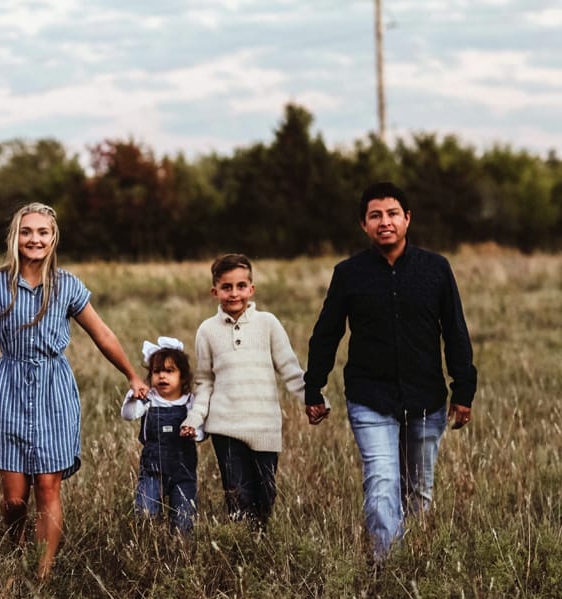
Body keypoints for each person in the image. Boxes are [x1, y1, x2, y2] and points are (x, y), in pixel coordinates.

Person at [0, 202, 148, 579]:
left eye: (43, 232)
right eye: (27, 231)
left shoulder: (67, 286)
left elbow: (103, 334)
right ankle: (16, 544)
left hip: (54, 389)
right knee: (15, 499)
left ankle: (41, 571)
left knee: (48, 489)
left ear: (53, 239)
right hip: (11, 388)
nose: (35, 239)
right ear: (15, 237)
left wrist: (132, 375)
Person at [305, 182, 477, 561]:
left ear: (407, 219)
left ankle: (414, 561)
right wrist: (313, 387)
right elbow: (327, 333)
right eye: (375, 215)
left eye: (392, 213)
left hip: (426, 400)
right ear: (364, 225)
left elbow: (455, 329)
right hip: (371, 399)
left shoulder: (435, 269)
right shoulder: (349, 273)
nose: (385, 222)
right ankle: (388, 567)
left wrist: (463, 390)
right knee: (382, 481)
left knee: (418, 491)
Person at [180, 254, 309, 530]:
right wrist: (194, 419)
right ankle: (242, 549)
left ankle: (259, 543)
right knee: (239, 495)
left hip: (264, 425)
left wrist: (312, 400)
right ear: (215, 291)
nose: (234, 293)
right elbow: (204, 382)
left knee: (266, 496)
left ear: (252, 289)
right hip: (226, 427)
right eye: (227, 287)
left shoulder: (268, 323)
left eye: (241, 286)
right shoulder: (207, 331)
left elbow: (289, 367)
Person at [121, 337, 200, 535]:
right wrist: (132, 397)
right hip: (152, 470)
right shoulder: (149, 399)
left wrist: (195, 432)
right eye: (157, 371)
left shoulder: (191, 402)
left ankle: (180, 550)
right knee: (145, 512)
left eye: (169, 371)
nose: (162, 376)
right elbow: (129, 415)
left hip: (183, 473)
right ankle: (149, 544)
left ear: (183, 377)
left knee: (184, 518)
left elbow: (202, 429)